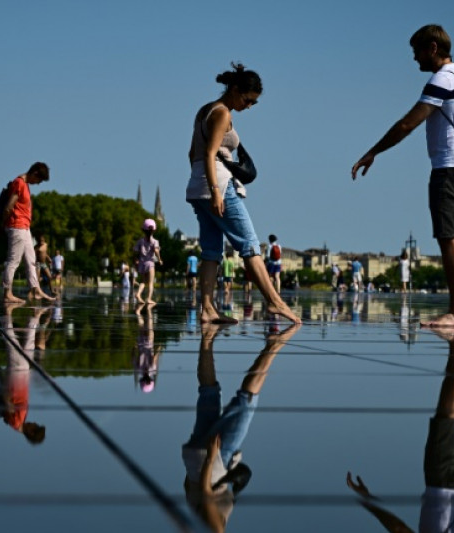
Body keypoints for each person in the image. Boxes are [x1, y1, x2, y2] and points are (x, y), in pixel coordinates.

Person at [351, 24, 454, 327]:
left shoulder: (442, 80)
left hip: (451, 169)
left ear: (432, 48)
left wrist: (373, 151)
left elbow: (407, 124)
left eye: (417, 51)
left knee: (449, 237)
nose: (414, 59)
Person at [348, 327, 454, 532]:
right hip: (443, 483)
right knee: (445, 419)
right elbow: (398, 529)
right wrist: (369, 502)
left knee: (452, 420)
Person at [185, 65, 300, 323]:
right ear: (235, 89)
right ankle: (275, 302)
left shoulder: (204, 110)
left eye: (253, 103)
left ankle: (207, 309)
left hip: (197, 186)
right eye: (247, 100)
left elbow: (192, 154)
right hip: (219, 187)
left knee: (211, 251)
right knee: (249, 244)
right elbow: (209, 153)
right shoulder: (223, 113)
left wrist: (202, 184)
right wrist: (216, 191)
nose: (248, 106)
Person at [182, 321, 300, 532]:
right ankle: (207, 336)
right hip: (194, 462)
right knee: (208, 391)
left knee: (246, 402)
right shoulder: (195, 522)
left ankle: (273, 346)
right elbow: (189, 488)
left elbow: (207, 493)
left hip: (214, 463)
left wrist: (210, 459)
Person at [0, 302, 49, 446]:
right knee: (25, 343)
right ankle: (34, 316)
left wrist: (4, 383)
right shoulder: (18, 422)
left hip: (17, 375)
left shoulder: (17, 421)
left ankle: (7, 312)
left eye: (35, 426)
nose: (34, 422)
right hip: (20, 375)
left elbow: (7, 403)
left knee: (12, 341)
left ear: (31, 432)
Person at [1, 162, 55, 303]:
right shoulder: (19, 183)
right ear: (35, 174)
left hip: (25, 228)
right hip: (17, 227)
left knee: (31, 261)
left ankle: (36, 290)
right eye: (39, 180)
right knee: (13, 261)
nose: (38, 184)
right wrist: (4, 225)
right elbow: (8, 207)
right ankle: (7, 293)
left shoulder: (25, 184)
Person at [133, 218, 163, 304]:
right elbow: (156, 251)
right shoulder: (155, 241)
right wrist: (160, 259)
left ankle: (138, 294)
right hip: (150, 264)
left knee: (143, 281)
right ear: (154, 230)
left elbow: (135, 251)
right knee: (150, 283)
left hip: (142, 263)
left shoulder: (140, 241)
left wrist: (136, 260)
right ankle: (148, 298)